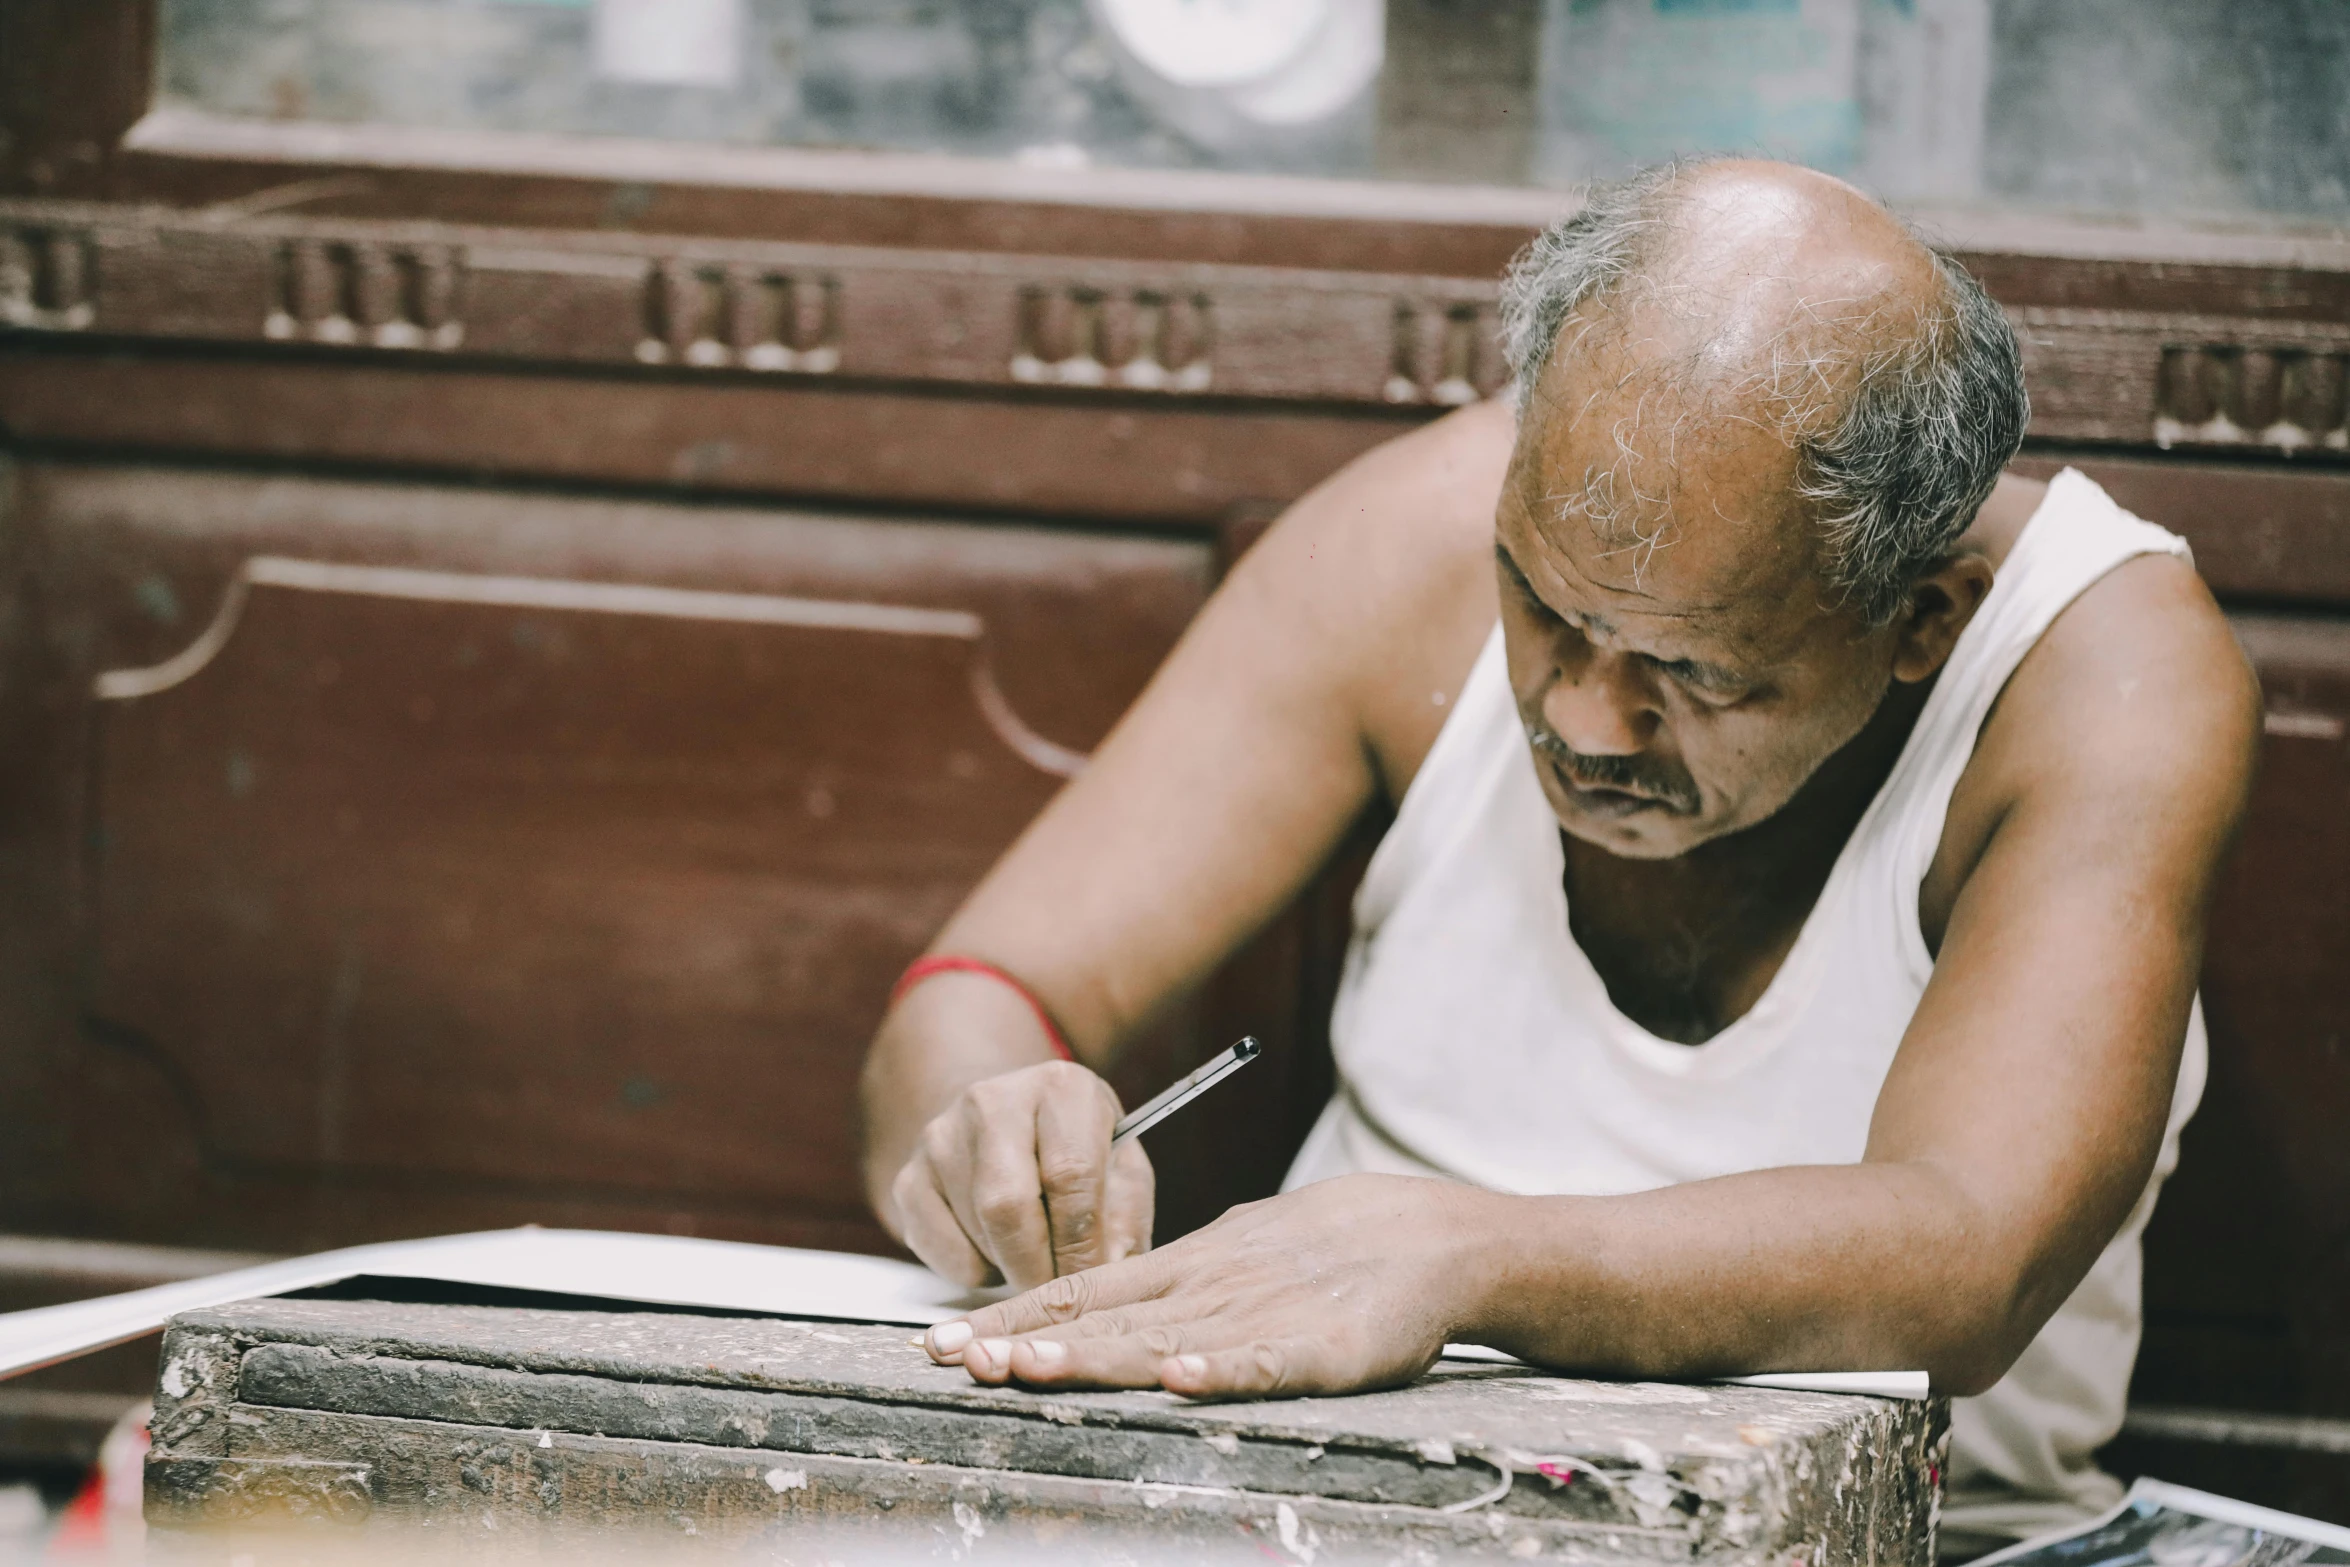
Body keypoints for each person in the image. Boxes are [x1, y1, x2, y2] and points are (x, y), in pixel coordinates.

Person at [857, 158, 2260, 1547]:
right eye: (1540, 605)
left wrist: (1460, 1256)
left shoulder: (2095, 667)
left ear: (1919, 623)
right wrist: (988, 1129)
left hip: (1910, 1534)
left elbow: (1970, 1252)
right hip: (1326, 1501)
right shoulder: (1410, 536)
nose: (1584, 719)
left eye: (1693, 671)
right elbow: (987, 987)